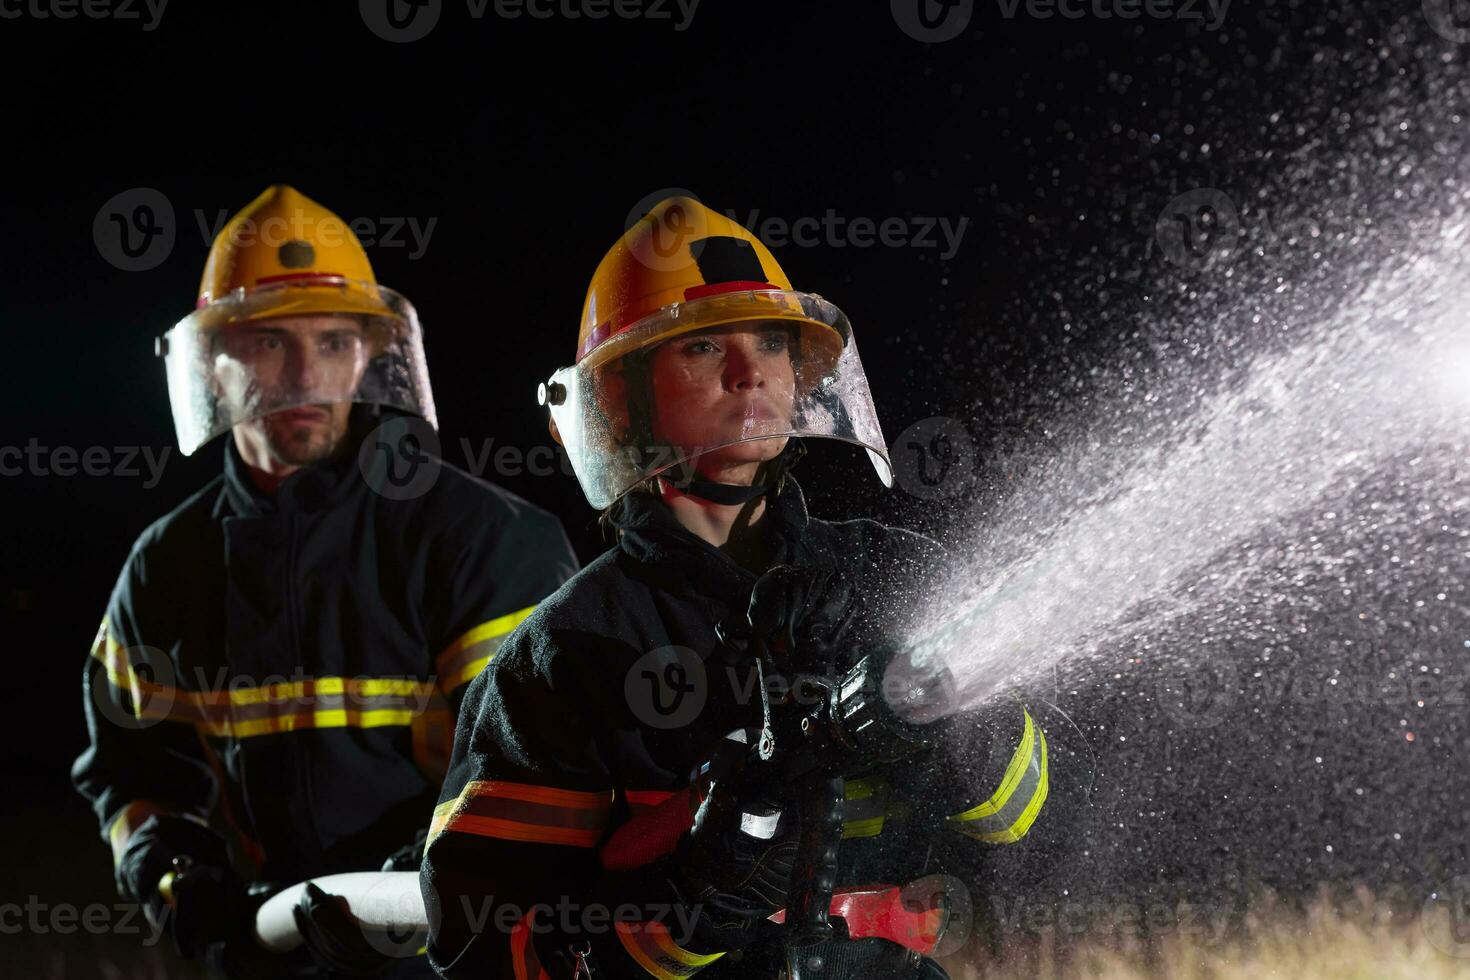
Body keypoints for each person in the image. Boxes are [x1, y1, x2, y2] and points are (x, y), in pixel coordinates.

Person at [420, 197, 1050, 978]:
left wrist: (939, 724)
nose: (751, 370)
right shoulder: (564, 656)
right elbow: (488, 951)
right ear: (622, 396)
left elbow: (1042, 833)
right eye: (704, 347)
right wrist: (690, 900)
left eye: (773, 342)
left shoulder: (894, 576)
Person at [73, 185, 579, 978]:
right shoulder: (166, 566)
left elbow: (538, 768)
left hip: (457, 953)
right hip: (267, 951)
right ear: (213, 362)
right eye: (271, 343)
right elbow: (131, 774)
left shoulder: (483, 538)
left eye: (336, 341)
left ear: (373, 356)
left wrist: (402, 893)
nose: (307, 375)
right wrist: (179, 880)